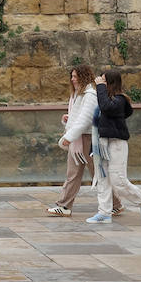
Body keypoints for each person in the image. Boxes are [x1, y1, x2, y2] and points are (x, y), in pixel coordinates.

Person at [86, 70, 141, 225]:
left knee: (118, 180)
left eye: (103, 82)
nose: (99, 85)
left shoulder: (120, 100)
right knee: (103, 179)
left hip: (116, 144)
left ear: (110, 83)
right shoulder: (104, 100)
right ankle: (104, 213)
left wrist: (101, 88)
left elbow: (107, 108)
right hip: (101, 144)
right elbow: (98, 117)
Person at [48, 65, 97, 217]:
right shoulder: (78, 94)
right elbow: (78, 117)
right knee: (73, 174)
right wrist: (67, 120)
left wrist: (68, 138)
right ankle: (64, 206)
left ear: (83, 77)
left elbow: (85, 120)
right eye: (72, 76)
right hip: (78, 139)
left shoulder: (90, 94)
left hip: (87, 139)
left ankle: (117, 204)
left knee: (99, 174)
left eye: (75, 76)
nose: (72, 79)